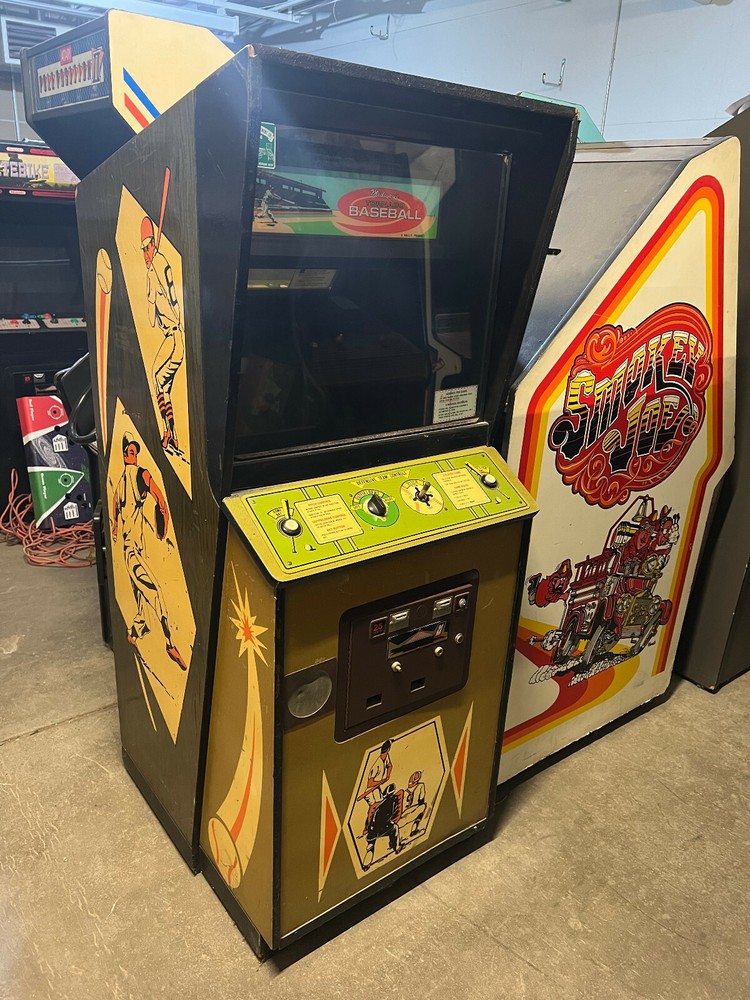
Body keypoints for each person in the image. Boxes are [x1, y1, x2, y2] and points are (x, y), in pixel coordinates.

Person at [111, 433, 186, 670]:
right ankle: (169, 644)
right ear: (125, 454)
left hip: (131, 548)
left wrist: (114, 524)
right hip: (132, 550)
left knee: (142, 599)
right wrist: (162, 522)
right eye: (128, 451)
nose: (129, 454)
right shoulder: (138, 474)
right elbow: (160, 500)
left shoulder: (125, 478)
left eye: (132, 451)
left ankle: (134, 633)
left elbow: (115, 502)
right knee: (155, 592)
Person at [141, 216, 184, 452]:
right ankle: (173, 434)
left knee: (157, 379)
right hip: (174, 337)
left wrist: (149, 291)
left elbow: (152, 316)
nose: (145, 255)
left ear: (152, 246)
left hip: (174, 336)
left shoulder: (155, 268)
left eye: (147, 248)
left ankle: (169, 431)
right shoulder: (161, 264)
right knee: (163, 387)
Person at [362, 783, 404, 871]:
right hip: (382, 828)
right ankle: (396, 847)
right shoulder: (391, 802)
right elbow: (392, 816)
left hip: (372, 830)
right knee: (395, 828)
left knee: (371, 845)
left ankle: (366, 864)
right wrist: (391, 822)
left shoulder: (379, 806)